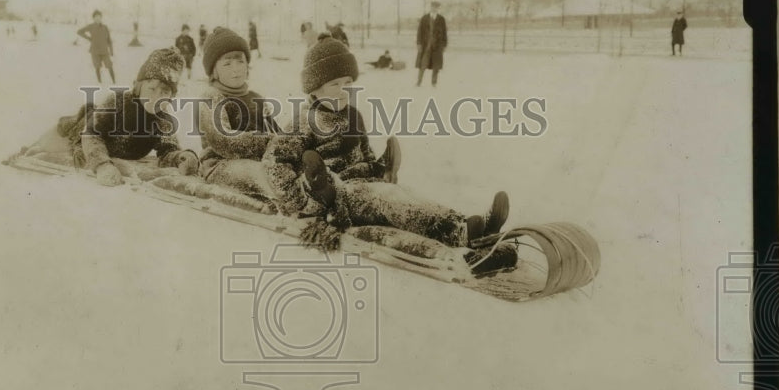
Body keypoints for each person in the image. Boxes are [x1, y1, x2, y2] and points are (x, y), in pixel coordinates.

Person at [263, 38, 515, 273]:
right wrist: (306, 203)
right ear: (315, 89)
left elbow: (363, 152)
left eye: (348, 83)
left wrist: (374, 167)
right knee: (388, 199)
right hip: (336, 197)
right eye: (334, 84)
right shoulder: (303, 121)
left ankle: (467, 223)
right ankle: (460, 233)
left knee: (403, 196)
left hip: (362, 185)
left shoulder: (353, 115)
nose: (343, 90)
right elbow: (274, 164)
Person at [33, 48, 199, 186]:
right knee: (43, 147)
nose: (156, 98)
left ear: (171, 96)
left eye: (164, 92)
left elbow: (168, 151)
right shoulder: (118, 101)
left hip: (111, 150)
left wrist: (181, 158)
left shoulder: (164, 121)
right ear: (139, 86)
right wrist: (102, 165)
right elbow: (91, 134)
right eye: (151, 89)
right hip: (77, 135)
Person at [195, 27, 279, 200]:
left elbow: (276, 134)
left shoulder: (257, 98)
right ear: (214, 71)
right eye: (227, 63)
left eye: (240, 61)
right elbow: (223, 141)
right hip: (220, 165)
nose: (236, 69)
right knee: (266, 176)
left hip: (260, 161)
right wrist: (267, 142)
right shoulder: (211, 97)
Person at [77, 10, 115, 84]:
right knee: (97, 67)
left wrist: (111, 50)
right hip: (95, 51)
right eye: (96, 17)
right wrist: (88, 38)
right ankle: (100, 83)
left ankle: (114, 82)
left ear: (101, 18)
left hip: (104, 51)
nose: (98, 18)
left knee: (109, 66)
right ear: (93, 18)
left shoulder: (105, 27)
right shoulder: (91, 26)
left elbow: (109, 40)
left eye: (99, 17)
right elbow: (79, 31)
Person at [416, 0, 447, 87]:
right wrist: (419, 43)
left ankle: (434, 83)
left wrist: (444, 45)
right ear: (430, 7)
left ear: (438, 8)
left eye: (436, 7)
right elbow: (419, 32)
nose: (434, 8)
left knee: (436, 66)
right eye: (433, 7)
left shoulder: (441, 19)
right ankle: (419, 82)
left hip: (437, 46)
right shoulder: (424, 18)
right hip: (426, 45)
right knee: (422, 64)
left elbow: (444, 33)